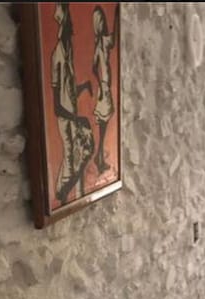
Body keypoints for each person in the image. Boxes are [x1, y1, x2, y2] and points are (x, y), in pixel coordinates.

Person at [50, 2, 95, 206]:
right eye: (70, 24)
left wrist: (83, 86)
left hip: (71, 117)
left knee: (80, 155)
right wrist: (77, 118)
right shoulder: (58, 56)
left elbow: (67, 92)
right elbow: (57, 105)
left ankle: (66, 197)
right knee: (71, 161)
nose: (73, 28)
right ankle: (61, 196)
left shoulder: (67, 54)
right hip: (66, 119)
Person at [91, 5, 116, 174]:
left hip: (104, 87)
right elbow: (94, 68)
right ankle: (99, 157)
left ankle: (99, 156)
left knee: (104, 124)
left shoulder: (101, 43)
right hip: (104, 88)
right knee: (103, 124)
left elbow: (94, 67)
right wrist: (101, 85)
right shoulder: (101, 43)